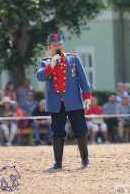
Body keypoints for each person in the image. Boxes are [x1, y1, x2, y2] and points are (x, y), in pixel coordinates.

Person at [36, 32, 91, 170]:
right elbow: (40, 77)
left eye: (59, 44)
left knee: (80, 130)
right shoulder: (46, 62)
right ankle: (58, 162)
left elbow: (83, 79)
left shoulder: (73, 59)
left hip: (73, 101)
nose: (57, 46)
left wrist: (87, 97)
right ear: (50, 47)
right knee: (57, 132)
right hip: (56, 104)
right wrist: (51, 66)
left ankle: (85, 159)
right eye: (54, 45)